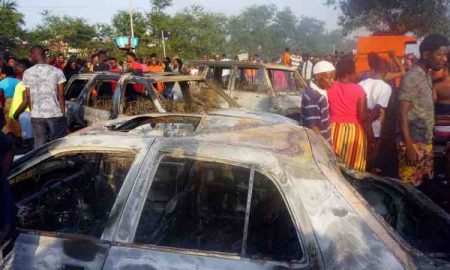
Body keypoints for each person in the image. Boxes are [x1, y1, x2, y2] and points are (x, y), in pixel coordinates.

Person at [398, 34, 449, 187]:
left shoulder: (425, 74)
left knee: (423, 187)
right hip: (413, 143)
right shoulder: (412, 77)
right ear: (426, 54)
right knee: (410, 189)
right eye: (440, 54)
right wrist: (408, 146)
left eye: (445, 55)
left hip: (424, 141)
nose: (444, 59)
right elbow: (402, 114)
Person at [328, 58, 372, 171]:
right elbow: (362, 116)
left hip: (333, 131)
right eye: (354, 72)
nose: (356, 75)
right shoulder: (359, 89)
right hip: (353, 132)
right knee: (354, 168)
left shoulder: (329, 87)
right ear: (348, 73)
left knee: (334, 168)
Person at [19, 46, 67, 149]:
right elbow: (61, 95)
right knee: (58, 145)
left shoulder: (27, 72)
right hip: (54, 113)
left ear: (34, 55)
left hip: (37, 115)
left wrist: (33, 112)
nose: (29, 57)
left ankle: (40, 164)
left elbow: (28, 96)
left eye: (30, 55)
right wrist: (63, 112)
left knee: (40, 147)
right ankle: (60, 164)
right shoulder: (57, 71)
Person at [359, 54, 392, 172]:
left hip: (358, 124)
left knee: (359, 154)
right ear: (387, 71)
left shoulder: (362, 83)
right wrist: (368, 125)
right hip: (373, 128)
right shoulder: (385, 87)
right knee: (370, 154)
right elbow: (378, 111)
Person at [301, 61, 335, 143]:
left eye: (333, 78)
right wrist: (324, 146)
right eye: (329, 78)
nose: (332, 81)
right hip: (320, 145)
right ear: (317, 77)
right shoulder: (314, 97)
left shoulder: (316, 92)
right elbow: (314, 127)